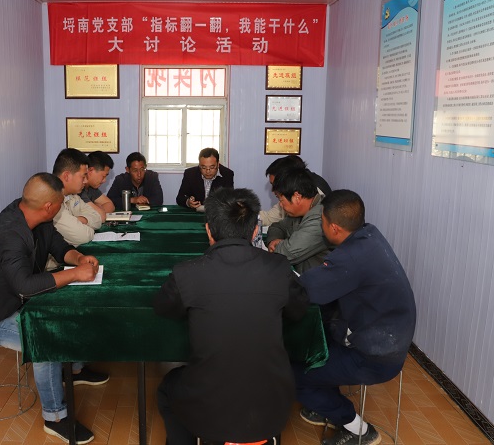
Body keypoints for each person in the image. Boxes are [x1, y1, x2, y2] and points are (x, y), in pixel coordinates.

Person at [0, 173, 109, 444]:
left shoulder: (35, 216)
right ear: (49, 207)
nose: (63, 207)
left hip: (13, 300)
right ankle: (55, 418)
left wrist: (79, 258)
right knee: (44, 338)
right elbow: (25, 286)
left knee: (66, 309)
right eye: (60, 203)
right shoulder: (9, 233)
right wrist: (74, 274)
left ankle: (75, 369)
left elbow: (59, 247)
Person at [154, 187, 309, 445]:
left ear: (208, 230)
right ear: (255, 231)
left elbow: (162, 307)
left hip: (208, 408)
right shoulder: (279, 268)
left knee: (168, 387)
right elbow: (299, 310)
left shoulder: (187, 273)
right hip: (272, 406)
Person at [293, 190, 416, 445]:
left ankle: (358, 429)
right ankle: (325, 403)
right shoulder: (369, 235)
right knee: (316, 340)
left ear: (334, 228)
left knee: (292, 374)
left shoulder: (350, 258)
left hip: (375, 357)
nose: (321, 226)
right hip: (386, 339)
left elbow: (306, 290)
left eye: (322, 221)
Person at [266, 168, 331, 273]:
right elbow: (277, 226)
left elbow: (286, 253)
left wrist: (280, 245)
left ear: (297, 197)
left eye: (281, 200)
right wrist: (274, 240)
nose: (281, 205)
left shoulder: (321, 218)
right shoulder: (300, 212)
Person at [260, 155, 332, 226]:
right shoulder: (290, 195)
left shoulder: (317, 201)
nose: (273, 190)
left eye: (275, 185)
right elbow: (270, 218)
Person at [52, 148, 103, 246]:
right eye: (83, 176)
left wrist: (80, 220)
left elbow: (98, 218)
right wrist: (88, 227)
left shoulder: (73, 196)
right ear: (66, 176)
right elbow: (83, 236)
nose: (85, 181)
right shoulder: (53, 201)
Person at [80, 151, 115, 221]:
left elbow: (110, 205)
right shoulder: (78, 189)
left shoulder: (92, 188)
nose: (104, 180)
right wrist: (99, 209)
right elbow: (100, 215)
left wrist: (99, 210)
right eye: (103, 176)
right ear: (90, 171)